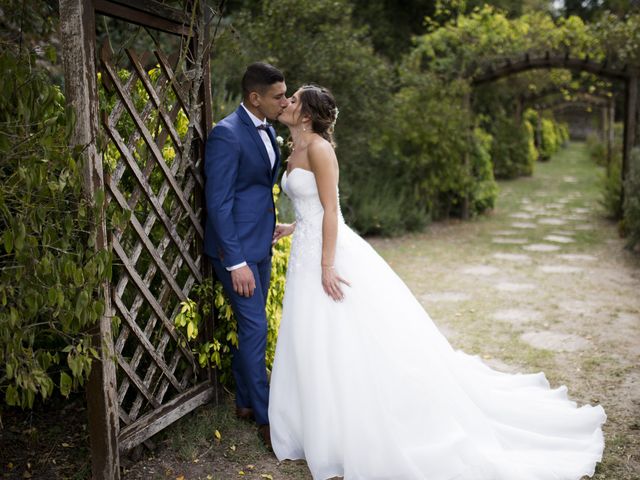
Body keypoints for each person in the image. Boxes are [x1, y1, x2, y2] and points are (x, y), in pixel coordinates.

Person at [268, 84, 606, 480]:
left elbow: (332, 210)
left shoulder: (321, 150)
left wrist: (327, 265)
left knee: (341, 334)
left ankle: (353, 424)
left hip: (328, 256)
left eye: (293, 100)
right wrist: (294, 226)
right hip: (308, 249)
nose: (286, 103)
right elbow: (312, 210)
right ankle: (315, 423)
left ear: (307, 115)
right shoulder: (293, 148)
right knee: (311, 335)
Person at [204, 62, 288, 448]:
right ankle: (268, 418)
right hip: (235, 252)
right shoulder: (226, 134)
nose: (284, 101)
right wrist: (235, 261)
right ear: (255, 98)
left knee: (255, 328)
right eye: (278, 96)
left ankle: (243, 401)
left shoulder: (269, 129)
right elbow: (218, 203)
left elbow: (255, 189)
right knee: (255, 328)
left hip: (261, 245)